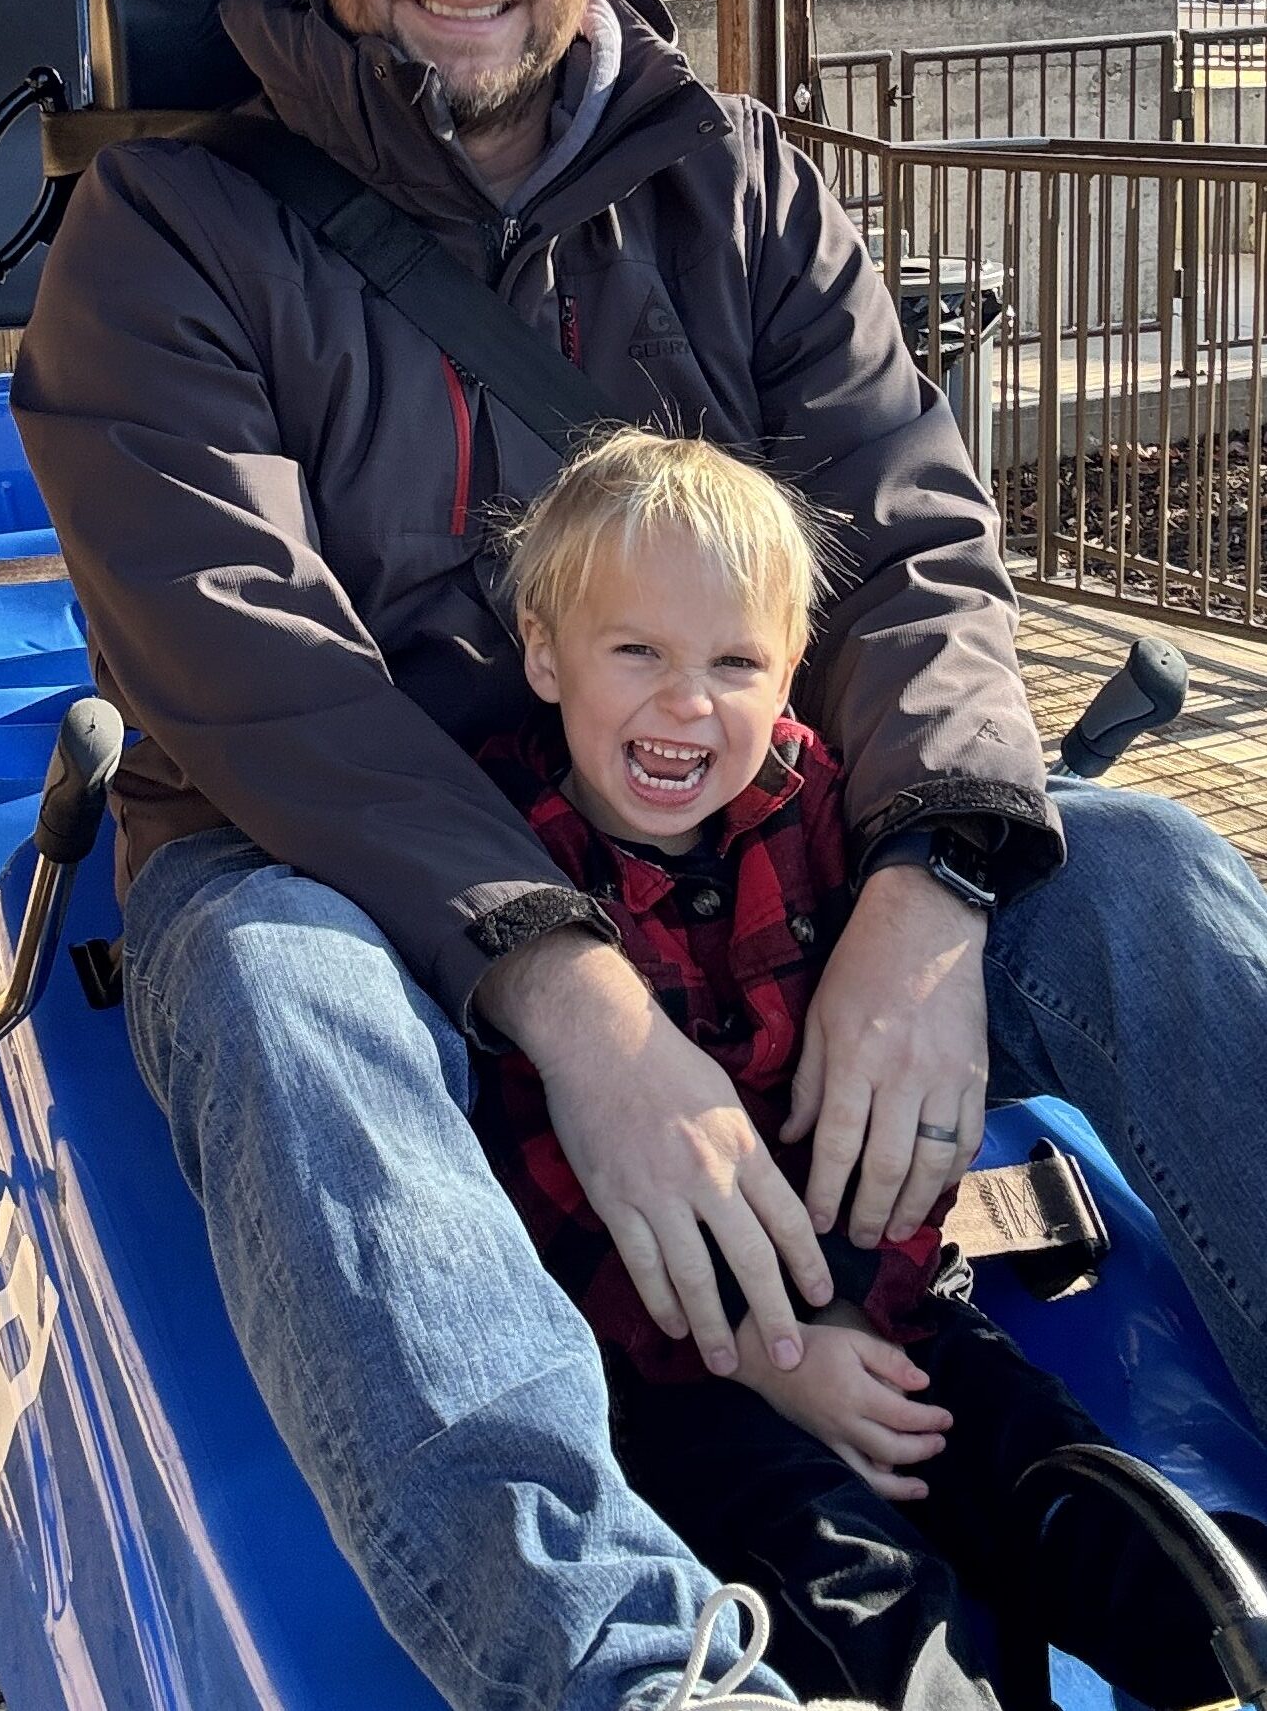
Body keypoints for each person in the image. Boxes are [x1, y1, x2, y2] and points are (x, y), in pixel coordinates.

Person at [11, 0, 1267, 1711]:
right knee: (269, 986)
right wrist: (559, 983)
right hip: (348, 868)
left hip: (742, 836)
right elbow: (235, 650)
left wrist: (931, 876)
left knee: (1130, 859)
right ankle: (628, 1670)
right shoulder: (165, 229)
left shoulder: (744, 191)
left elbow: (906, 546)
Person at [472, 425, 1241, 1709]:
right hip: (672, 1365)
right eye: (636, 654)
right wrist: (765, 1352)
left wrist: (844, 1309)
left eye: (734, 662)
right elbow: (545, 1183)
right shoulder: (505, 867)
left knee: (1047, 1466)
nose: (687, 703)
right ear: (545, 654)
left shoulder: (811, 810)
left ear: (789, 674)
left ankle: (1218, 1644)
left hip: (870, 1303)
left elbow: (896, 1118)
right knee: (837, 1568)